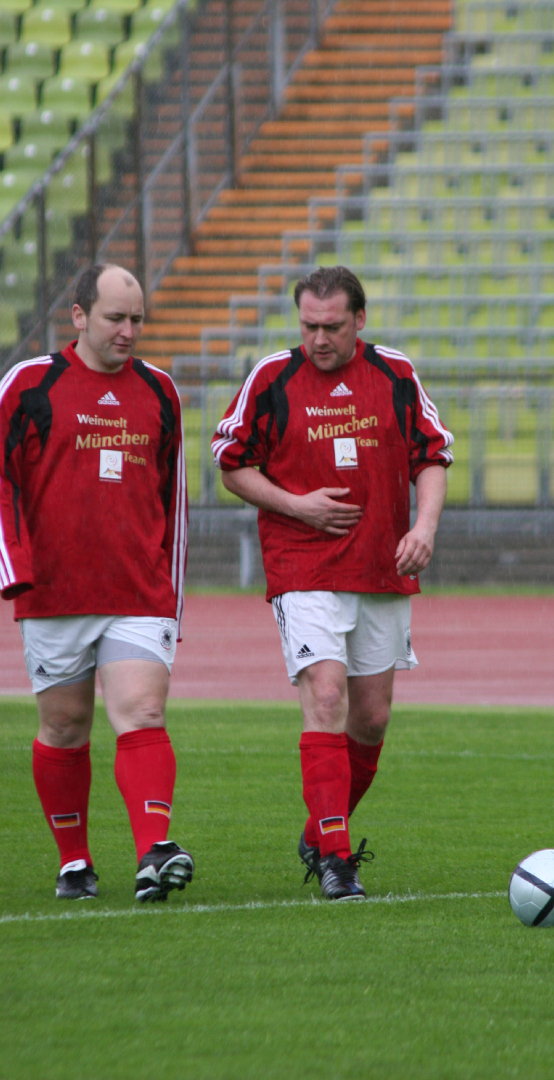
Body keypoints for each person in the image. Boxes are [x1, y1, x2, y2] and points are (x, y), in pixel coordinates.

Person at [212, 265, 453, 900]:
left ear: (359, 320)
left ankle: (319, 829)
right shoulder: (272, 378)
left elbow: (432, 456)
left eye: (333, 326)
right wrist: (297, 505)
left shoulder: (395, 374)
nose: (319, 338)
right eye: (308, 326)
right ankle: (338, 862)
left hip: (380, 566)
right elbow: (231, 464)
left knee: (370, 719)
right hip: (303, 566)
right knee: (326, 697)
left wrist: (424, 527)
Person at [0, 263, 193, 902]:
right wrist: (14, 568)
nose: (128, 331)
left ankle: (154, 852)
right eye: (115, 318)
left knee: (143, 711)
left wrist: (171, 597)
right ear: (79, 316)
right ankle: (74, 862)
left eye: (137, 319)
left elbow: (174, 499)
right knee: (65, 726)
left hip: (138, 589)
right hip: (53, 591)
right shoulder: (29, 385)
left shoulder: (160, 391)